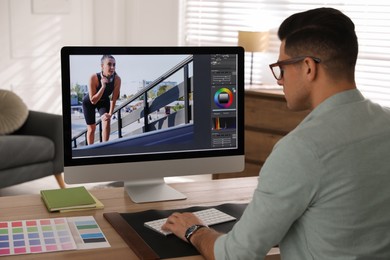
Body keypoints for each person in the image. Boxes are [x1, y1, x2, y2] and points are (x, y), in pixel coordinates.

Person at [162, 7, 390, 259]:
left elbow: (235, 254)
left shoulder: (301, 149)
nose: (279, 80)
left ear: (308, 67)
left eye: (281, 67)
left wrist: (194, 229)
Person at [82, 55, 121, 145]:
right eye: (109, 64)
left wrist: (110, 114)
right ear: (102, 66)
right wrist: (103, 86)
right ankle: (90, 150)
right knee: (92, 128)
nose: (112, 67)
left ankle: (104, 147)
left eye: (114, 65)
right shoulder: (94, 77)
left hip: (103, 101)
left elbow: (113, 99)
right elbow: (93, 101)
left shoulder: (117, 79)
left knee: (107, 120)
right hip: (89, 102)